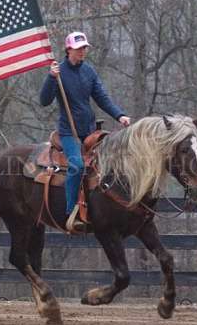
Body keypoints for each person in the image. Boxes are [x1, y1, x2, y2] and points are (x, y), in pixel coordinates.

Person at [40, 31, 130, 232]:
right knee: (77, 166)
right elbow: (44, 101)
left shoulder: (89, 72)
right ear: (69, 49)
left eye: (85, 48)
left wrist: (119, 115)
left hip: (89, 131)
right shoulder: (59, 72)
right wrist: (51, 78)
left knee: (112, 163)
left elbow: (102, 97)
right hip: (68, 133)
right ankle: (70, 211)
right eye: (79, 49)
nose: (83, 52)